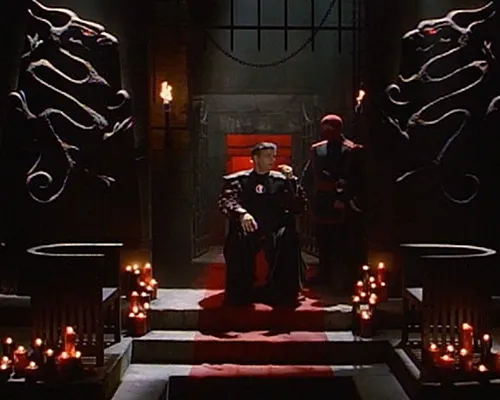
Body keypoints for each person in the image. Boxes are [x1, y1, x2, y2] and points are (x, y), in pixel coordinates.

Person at [217, 142, 307, 307]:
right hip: (249, 227)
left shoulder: (281, 181)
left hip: (274, 228)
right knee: (237, 240)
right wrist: (241, 213)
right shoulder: (240, 180)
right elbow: (227, 200)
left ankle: (281, 292)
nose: (272, 160)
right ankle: (240, 292)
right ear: (255, 158)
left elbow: (298, 207)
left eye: (273, 156)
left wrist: (291, 182)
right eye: (267, 156)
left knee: (288, 237)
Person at [300, 114, 364, 293]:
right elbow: (310, 173)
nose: (327, 131)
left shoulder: (351, 149)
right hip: (321, 200)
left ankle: (346, 278)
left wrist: (344, 197)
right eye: (325, 128)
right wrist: (304, 194)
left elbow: (356, 178)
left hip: (343, 202)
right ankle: (325, 273)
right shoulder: (317, 149)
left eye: (330, 128)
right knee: (322, 239)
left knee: (344, 241)